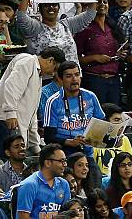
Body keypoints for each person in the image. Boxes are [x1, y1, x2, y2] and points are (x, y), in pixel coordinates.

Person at [0, 47, 65, 157]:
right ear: (50, 60)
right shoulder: (27, 61)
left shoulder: (37, 74)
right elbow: (11, 86)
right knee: (5, 165)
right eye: (55, 68)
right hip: (2, 121)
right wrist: (10, 112)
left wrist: (35, 145)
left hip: (11, 126)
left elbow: (32, 115)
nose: (53, 74)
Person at [43, 60, 105, 189]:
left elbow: (102, 124)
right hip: (65, 158)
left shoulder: (90, 97)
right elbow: (49, 137)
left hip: (87, 156)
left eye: (77, 75)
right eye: (69, 76)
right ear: (60, 79)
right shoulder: (53, 101)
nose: (74, 79)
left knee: (97, 192)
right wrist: (69, 142)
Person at [16, 0, 96, 63]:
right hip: (46, 76)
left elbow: (90, 13)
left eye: (54, 5)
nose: (51, 7)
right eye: (46, 5)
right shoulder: (35, 28)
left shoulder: (67, 25)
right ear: (40, 9)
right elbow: (21, 16)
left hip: (72, 75)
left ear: (59, 8)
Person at [75, 0, 126, 104]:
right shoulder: (84, 28)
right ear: (91, 6)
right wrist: (94, 57)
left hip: (114, 80)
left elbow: (120, 51)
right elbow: (76, 58)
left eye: (105, 1)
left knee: (114, 115)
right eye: (98, 2)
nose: (102, 4)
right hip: (95, 80)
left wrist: (121, 55)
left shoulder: (113, 27)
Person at [16, 144, 72, 219]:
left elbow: (67, 214)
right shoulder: (29, 185)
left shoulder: (64, 184)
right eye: (61, 161)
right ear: (48, 163)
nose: (65, 164)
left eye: (65, 161)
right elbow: (23, 217)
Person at [92, 104, 132, 175]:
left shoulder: (124, 139)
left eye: (121, 120)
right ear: (104, 121)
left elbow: (130, 163)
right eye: (116, 120)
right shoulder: (93, 140)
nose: (121, 123)